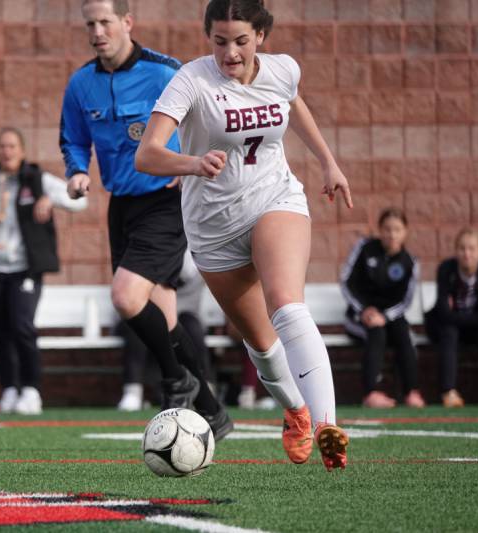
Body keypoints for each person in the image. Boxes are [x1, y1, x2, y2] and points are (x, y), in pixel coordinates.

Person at [135, 0, 350, 470]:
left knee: (287, 303)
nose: (230, 52)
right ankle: (296, 412)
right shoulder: (191, 80)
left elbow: (294, 105)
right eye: (219, 41)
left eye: (241, 41)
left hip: (275, 199)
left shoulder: (282, 70)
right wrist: (192, 162)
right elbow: (147, 155)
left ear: (261, 37)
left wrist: (328, 162)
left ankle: (328, 427)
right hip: (213, 228)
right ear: (207, 37)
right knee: (262, 344)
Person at [60, 0, 233, 440]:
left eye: (105, 22)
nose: (97, 31)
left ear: (127, 23)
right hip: (122, 207)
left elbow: (210, 117)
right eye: (90, 24)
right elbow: (74, 139)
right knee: (164, 316)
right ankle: (212, 410)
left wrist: (191, 163)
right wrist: (78, 171)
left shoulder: (164, 72)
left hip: (166, 201)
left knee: (125, 297)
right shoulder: (81, 84)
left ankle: (175, 379)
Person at [0, 127, 88, 415]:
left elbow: (80, 200)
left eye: (12, 146)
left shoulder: (37, 179)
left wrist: (53, 199)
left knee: (22, 326)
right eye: (2, 146)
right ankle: (9, 388)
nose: (7, 151)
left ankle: (31, 389)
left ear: (21, 150)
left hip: (25, 268)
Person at [341, 208, 425, 409]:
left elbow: (406, 300)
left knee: (403, 334)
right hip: (359, 314)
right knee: (376, 333)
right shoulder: (364, 248)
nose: (392, 234)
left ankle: (411, 392)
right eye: (387, 229)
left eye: (397, 229)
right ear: (380, 230)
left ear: (405, 232)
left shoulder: (410, 262)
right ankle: (370, 393)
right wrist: (365, 310)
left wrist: (385, 316)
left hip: (390, 316)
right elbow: (346, 282)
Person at [116, 250, 213, 411]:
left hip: (183, 314)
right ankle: (132, 390)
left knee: (191, 327)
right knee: (138, 326)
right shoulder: (143, 253)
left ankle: (205, 388)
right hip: (145, 310)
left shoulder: (196, 257)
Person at [424, 228, 478, 408]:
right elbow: (443, 313)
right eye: (462, 248)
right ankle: (448, 392)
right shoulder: (446, 269)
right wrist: (468, 318)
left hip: (472, 329)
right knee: (449, 332)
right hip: (444, 327)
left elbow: (451, 315)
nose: (467, 254)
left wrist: (455, 316)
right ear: (456, 251)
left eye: (472, 249)